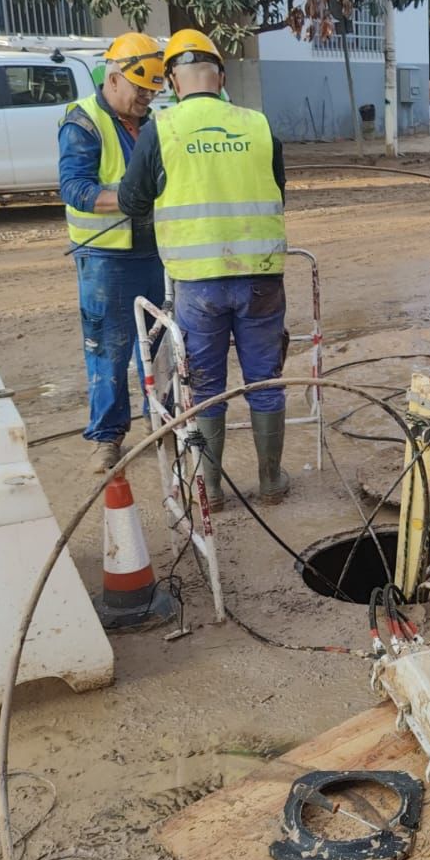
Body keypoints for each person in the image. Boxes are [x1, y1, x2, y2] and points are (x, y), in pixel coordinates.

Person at [119, 29, 291, 510]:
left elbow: (133, 202)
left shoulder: (162, 130)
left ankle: (211, 491)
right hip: (261, 278)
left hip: (198, 284)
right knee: (264, 379)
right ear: (221, 77)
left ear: (173, 81)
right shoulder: (258, 125)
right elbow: (278, 192)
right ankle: (272, 481)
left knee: (206, 385)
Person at [59, 32, 166, 473]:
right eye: (139, 89)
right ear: (115, 78)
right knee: (109, 349)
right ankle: (107, 437)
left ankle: (160, 422)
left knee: (160, 347)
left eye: (152, 91)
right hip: (107, 258)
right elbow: (75, 188)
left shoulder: (153, 122)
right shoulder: (83, 121)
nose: (145, 98)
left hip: (156, 252)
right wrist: (128, 198)